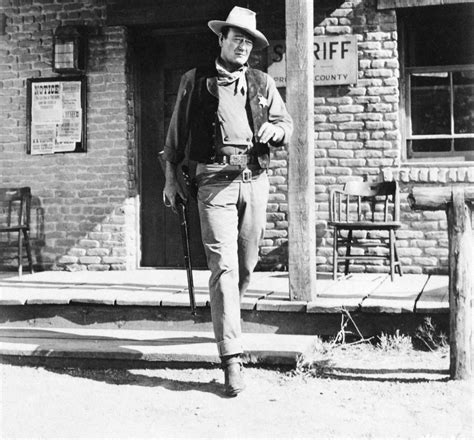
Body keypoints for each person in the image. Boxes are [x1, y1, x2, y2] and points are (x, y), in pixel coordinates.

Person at [162, 6, 293, 397]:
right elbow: (174, 139)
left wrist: (277, 131)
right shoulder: (194, 80)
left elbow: (286, 124)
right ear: (221, 39)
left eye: (248, 42)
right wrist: (171, 179)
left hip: (255, 181)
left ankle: (226, 316)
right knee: (223, 267)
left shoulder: (262, 82)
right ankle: (231, 359)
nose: (242, 46)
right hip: (213, 185)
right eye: (236, 38)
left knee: (246, 266)